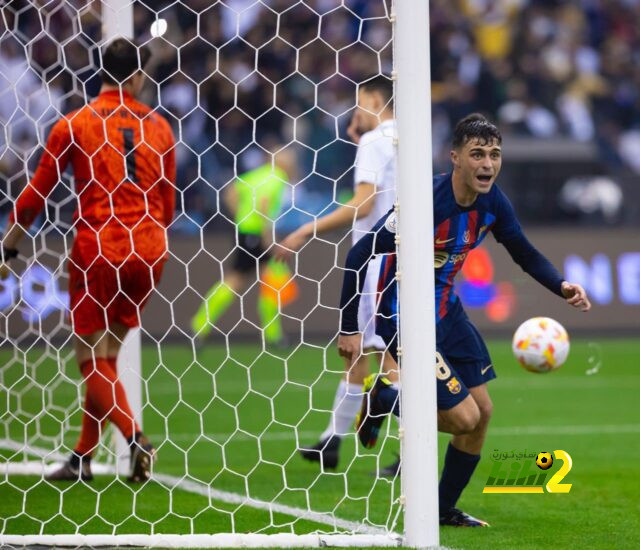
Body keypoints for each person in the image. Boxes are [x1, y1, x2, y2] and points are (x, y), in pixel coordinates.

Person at [337, 113, 591, 526]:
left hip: (446, 312)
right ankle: (386, 394)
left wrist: (561, 285)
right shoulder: (425, 202)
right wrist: (349, 327)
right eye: (477, 154)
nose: (488, 164)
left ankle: (442, 510)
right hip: (403, 315)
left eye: (494, 154)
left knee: (483, 413)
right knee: (464, 417)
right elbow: (357, 255)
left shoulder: (493, 202)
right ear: (455, 157)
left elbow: (523, 253)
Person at [0, 38, 176, 483]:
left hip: (100, 247)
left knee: (88, 356)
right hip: (150, 248)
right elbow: (168, 202)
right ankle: (82, 458)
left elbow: (36, 194)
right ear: (136, 77)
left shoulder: (75, 123)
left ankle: (136, 438)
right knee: (109, 356)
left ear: (100, 72)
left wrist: (9, 247)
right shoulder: (160, 128)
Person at [275, 75, 398, 470]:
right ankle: (332, 439)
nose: (356, 113)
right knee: (361, 354)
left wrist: (306, 229)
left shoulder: (374, 141)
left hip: (377, 260)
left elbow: (363, 206)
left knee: (389, 358)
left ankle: (409, 456)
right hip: (401, 255)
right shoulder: (407, 138)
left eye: (360, 103)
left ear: (374, 97)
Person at [190, 145, 298, 346]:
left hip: (245, 232)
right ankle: (199, 326)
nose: (292, 161)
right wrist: (268, 238)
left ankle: (272, 335)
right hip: (257, 236)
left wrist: (240, 216)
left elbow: (230, 191)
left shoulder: (256, 175)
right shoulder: (276, 177)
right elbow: (264, 205)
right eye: (288, 157)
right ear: (279, 160)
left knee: (269, 281)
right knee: (240, 281)